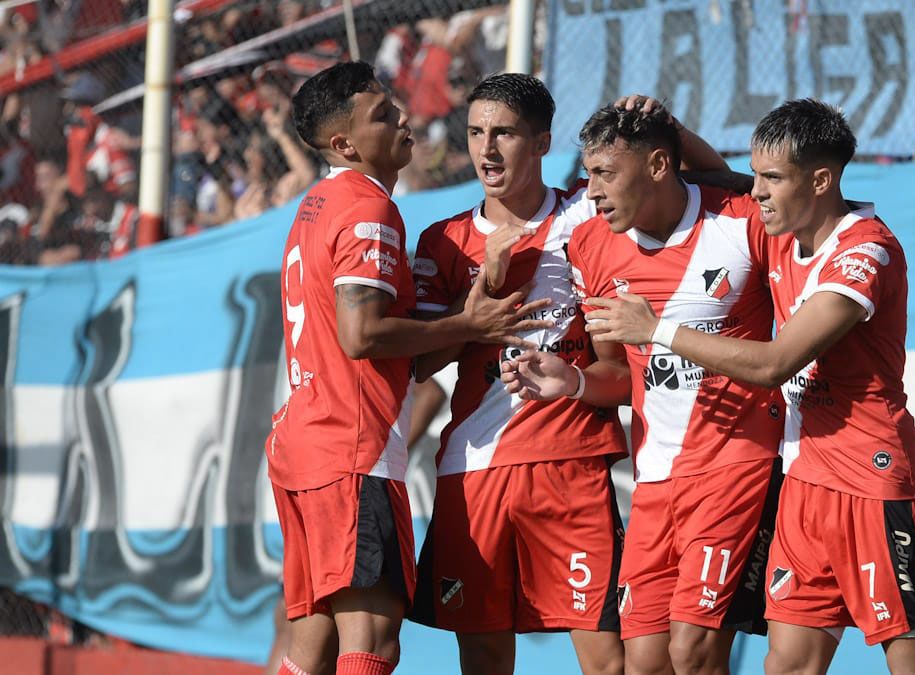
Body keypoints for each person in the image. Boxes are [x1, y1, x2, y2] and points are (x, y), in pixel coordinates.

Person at [574, 99, 915, 675]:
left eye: (770, 179)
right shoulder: (782, 229)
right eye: (755, 176)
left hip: (871, 477)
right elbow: (709, 180)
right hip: (803, 482)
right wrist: (669, 125)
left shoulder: (864, 252)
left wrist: (656, 328)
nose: (752, 191)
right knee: (786, 666)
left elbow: (775, 363)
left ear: (821, 180)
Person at [265, 60, 551, 675]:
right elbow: (362, 334)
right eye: (380, 115)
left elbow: (398, 348)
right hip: (350, 446)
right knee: (372, 639)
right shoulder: (370, 209)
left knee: (311, 646)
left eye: (394, 105)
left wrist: (460, 313)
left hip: (303, 443)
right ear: (343, 143)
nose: (401, 117)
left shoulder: (316, 202)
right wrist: (471, 325)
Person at [501, 101, 782, 675]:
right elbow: (621, 378)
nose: (592, 191)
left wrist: (678, 127)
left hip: (738, 466)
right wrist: (572, 381)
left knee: (694, 652)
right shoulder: (592, 247)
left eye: (605, 174)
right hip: (655, 480)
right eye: (589, 174)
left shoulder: (741, 220)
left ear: (658, 165)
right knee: (645, 663)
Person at [404, 72, 632, 675]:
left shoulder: (591, 214)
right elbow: (420, 363)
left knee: (608, 657)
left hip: (570, 464)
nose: (486, 149)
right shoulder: (446, 239)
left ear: (542, 142)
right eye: (476, 132)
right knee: (482, 656)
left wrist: (671, 131)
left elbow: (691, 180)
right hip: (474, 472)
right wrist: (481, 294)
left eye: (504, 133)